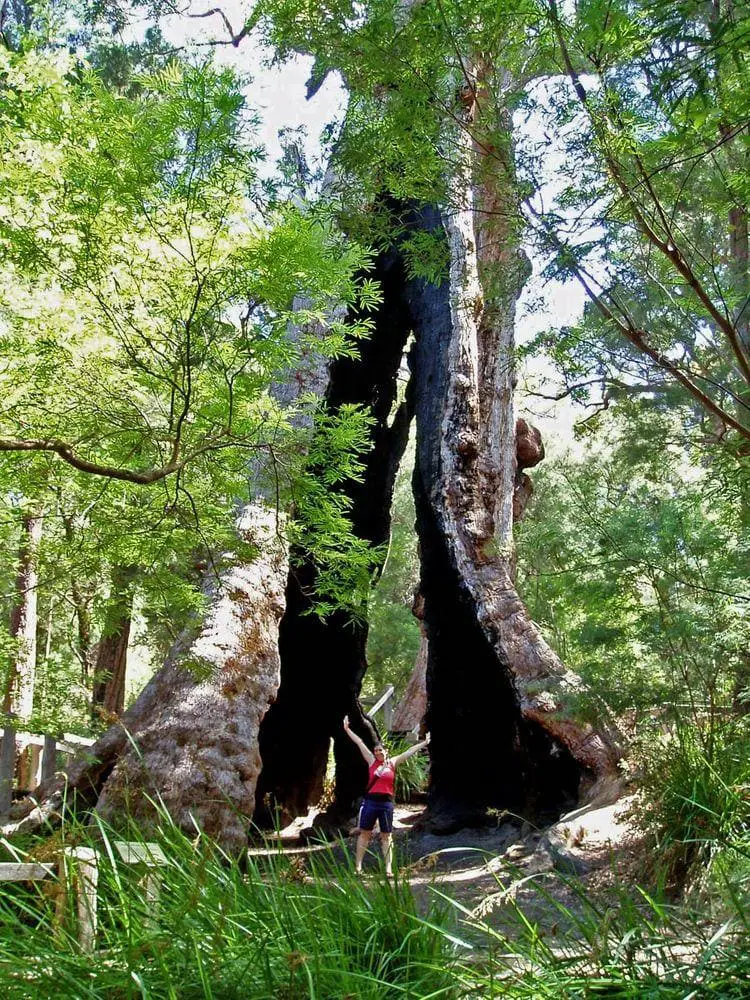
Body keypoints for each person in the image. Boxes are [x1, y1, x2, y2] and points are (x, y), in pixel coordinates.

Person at [342, 715, 430, 876]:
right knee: (365, 834)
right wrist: (347, 730)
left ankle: (388, 869)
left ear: (386, 751)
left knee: (386, 835)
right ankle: (358, 867)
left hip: (386, 804)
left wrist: (424, 743)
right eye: (376, 751)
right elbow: (359, 743)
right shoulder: (371, 761)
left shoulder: (392, 763)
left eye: (380, 750)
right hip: (371, 802)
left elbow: (408, 752)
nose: (377, 752)